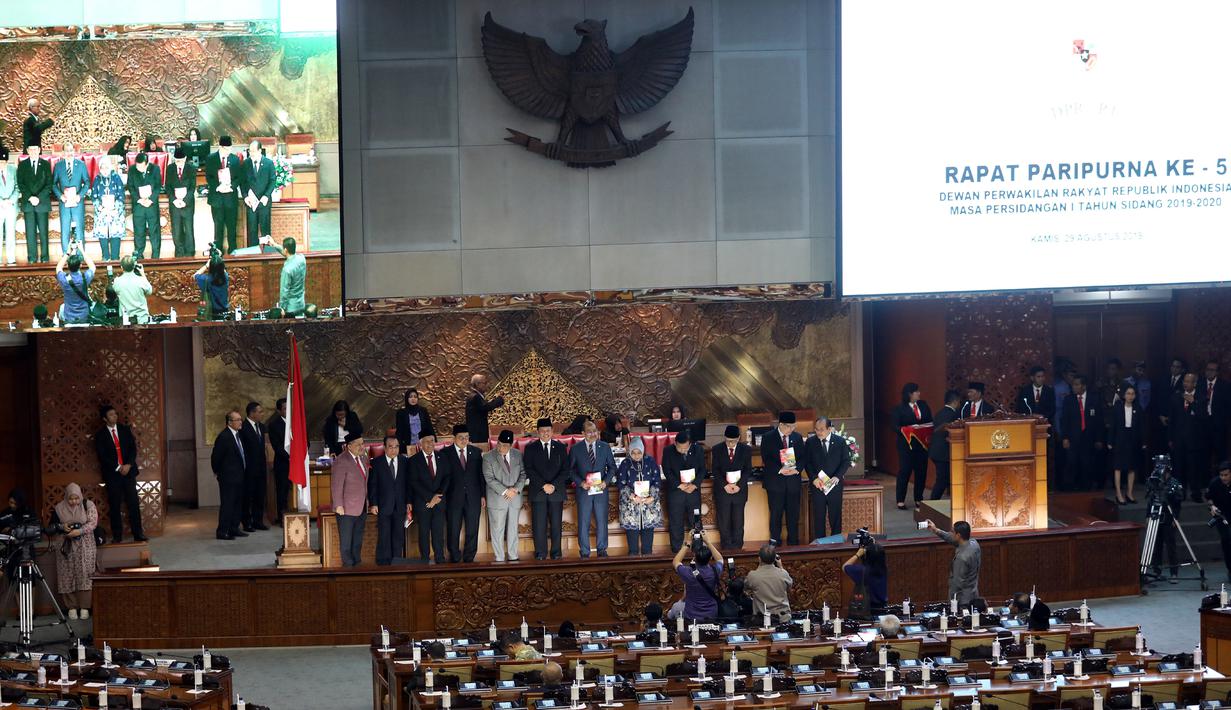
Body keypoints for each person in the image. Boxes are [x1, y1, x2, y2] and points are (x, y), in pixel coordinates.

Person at [92, 405, 146, 543]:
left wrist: (128, 465)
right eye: (111, 415)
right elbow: (102, 456)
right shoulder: (100, 435)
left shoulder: (124, 429)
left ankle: (138, 534)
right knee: (114, 505)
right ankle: (117, 536)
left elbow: (133, 449)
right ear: (105, 419)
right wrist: (118, 467)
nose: (114, 416)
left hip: (128, 472)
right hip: (112, 475)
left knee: (133, 503)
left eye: (115, 414)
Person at [568, 420, 617, 557]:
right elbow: (570, 470)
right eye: (589, 432)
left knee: (602, 521)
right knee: (583, 522)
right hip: (584, 490)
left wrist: (606, 482)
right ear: (583, 433)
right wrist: (581, 483)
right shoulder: (576, 449)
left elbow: (612, 467)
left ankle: (602, 549)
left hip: (601, 490)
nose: (593, 434)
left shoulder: (605, 447)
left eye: (595, 431)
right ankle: (584, 551)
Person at [50, 483, 97, 620]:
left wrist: (80, 531)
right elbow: (52, 526)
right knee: (66, 575)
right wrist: (62, 527)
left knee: (85, 574)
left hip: (85, 544)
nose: (74, 501)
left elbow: (93, 523)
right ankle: (71, 607)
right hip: (65, 545)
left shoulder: (88, 505)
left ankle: (84, 607)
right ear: (66, 497)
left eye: (76, 498)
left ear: (80, 496)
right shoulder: (59, 508)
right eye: (71, 498)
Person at [524, 418, 567, 559]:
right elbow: (529, 469)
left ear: (552, 431)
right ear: (537, 432)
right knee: (539, 525)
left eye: (548, 430)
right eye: (542, 431)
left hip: (556, 491)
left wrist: (553, 485)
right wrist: (543, 485)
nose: (545, 433)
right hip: (538, 492)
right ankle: (540, 553)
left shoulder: (561, 447)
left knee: (556, 525)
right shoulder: (530, 448)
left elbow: (566, 470)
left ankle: (556, 553)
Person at [760, 411, 805, 545]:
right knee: (776, 514)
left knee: (793, 514)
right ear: (781, 424)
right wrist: (780, 470)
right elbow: (766, 459)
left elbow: (803, 457)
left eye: (793, 426)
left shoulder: (797, 437)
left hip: (792, 483)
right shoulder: (768, 437)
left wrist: (797, 469)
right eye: (789, 426)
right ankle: (775, 542)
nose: (791, 429)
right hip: (775, 483)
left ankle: (793, 542)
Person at [804, 416, 851, 539]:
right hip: (818, 485)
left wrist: (837, 476)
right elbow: (807, 463)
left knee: (835, 517)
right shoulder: (810, 442)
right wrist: (813, 478)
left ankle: (836, 543)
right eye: (816, 429)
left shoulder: (840, 441)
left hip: (834, 485)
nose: (818, 432)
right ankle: (820, 545)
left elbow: (846, 461)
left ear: (829, 429)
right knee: (818, 517)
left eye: (821, 429)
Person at [443, 424, 484, 563]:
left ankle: (469, 557)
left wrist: (482, 495)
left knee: (472, 528)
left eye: (466, 437)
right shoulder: (445, 453)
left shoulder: (476, 452)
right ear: (453, 438)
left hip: (473, 497)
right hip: (453, 497)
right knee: (453, 528)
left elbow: (480, 475)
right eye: (461, 437)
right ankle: (454, 556)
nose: (464, 440)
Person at [482, 430, 525, 562]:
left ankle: (513, 555)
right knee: (497, 529)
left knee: (513, 528)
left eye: (505, 445)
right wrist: (506, 491)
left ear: (511, 445)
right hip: (497, 499)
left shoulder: (518, 454)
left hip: (514, 498)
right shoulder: (488, 457)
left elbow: (523, 474)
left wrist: (515, 489)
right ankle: (499, 557)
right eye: (499, 444)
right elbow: (489, 478)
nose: (501, 448)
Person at [662, 429, 708, 552]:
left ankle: (698, 548)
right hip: (676, 492)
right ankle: (677, 550)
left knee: (696, 521)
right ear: (675, 443)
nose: (683, 450)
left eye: (685, 448)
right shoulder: (668, 451)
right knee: (676, 522)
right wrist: (678, 485)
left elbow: (703, 469)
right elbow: (667, 470)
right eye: (680, 448)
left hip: (693, 492)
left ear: (690, 444)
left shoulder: (698, 449)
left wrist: (695, 484)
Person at [367, 435, 410, 565]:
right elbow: (372, 485)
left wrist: (409, 501)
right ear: (384, 448)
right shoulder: (376, 463)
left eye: (396, 447)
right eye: (390, 447)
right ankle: (383, 563)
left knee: (398, 536)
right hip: (383, 505)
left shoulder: (405, 461)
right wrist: (373, 503)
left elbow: (408, 484)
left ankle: (397, 561)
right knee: (384, 535)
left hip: (400, 505)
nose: (394, 450)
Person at [409, 430, 449, 563]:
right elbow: (414, 482)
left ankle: (440, 558)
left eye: (432, 441)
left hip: (439, 502)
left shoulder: (442, 457)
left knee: (438, 532)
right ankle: (425, 559)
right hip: (423, 503)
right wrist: (430, 498)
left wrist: (437, 496)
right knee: (424, 533)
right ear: (420, 444)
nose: (430, 443)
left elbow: (447, 477)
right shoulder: (414, 460)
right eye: (427, 441)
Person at [616, 437, 662, 555]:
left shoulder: (650, 461)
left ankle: (647, 560)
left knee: (647, 546)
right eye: (633, 453)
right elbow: (621, 483)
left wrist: (652, 497)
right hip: (631, 507)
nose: (636, 455)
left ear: (643, 451)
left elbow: (657, 481)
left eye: (639, 452)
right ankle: (633, 561)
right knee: (633, 548)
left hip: (648, 506)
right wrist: (632, 496)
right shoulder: (625, 463)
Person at [893, 383, 933, 510]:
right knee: (905, 471)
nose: (919, 393)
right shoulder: (899, 408)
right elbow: (895, 426)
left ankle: (918, 498)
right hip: (906, 445)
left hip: (922, 445)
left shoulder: (923, 405)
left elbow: (930, 421)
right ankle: (900, 499)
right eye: (916, 392)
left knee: (921, 471)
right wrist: (908, 429)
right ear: (910, 394)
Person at [332, 432, 369, 566]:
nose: (362, 447)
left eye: (362, 443)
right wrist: (338, 505)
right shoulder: (341, 460)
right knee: (346, 542)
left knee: (357, 540)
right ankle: (348, 567)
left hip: (362, 507)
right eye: (358, 444)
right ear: (349, 446)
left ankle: (357, 564)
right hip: (346, 509)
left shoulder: (364, 458)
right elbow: (336, 485)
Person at [711, 425, 751, 550]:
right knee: (724, 523)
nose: (731, 444)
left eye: (733, 441)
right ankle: (726, 548)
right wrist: (725, 485)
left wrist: (739, 485)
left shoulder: (746, 450)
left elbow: (748, 470)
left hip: (739, 491)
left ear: (738, 438)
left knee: (738, 522)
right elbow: (715, 470)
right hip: (723, 491)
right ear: (725, 438)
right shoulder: (717, 449)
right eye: (728, 441)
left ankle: (738, 548)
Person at [210, 411, 248, 540]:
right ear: (229, 422)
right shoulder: (224, 437)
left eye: (240, 419)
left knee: (237, 504)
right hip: (228, 478)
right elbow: (216, 457)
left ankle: (234, 528)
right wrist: (218, 472)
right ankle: (222, 531)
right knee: (228, 504)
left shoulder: (238, 435)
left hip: (239, 476)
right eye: (237, 420)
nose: (240, 422)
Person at [1061, 375, 1103, 491]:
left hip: (1088, 438)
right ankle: (1069, 489)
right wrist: (1065, 437)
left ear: (1084, 386)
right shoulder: (1068, 400)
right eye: (1073, 384)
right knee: (1071, 463)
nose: (1074, 387)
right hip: (1073, 438)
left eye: (1077, 384)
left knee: (1087, 464)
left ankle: (1086, 488)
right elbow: (1064, 420)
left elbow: (1099, 421)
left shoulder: (1094, 399)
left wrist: (1099, 439)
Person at [671, 529, 724, 621]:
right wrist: (708, 542)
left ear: (694, 558)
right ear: (710, 558)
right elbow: (720, 559)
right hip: (711, 613)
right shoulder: (715, 570)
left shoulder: (688, 573)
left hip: (692, 614)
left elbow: (676, 561)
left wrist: (688, 543)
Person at [927, 519, 981, 608]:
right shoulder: (974, 544)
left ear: (958, 535)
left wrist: (952, 602)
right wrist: (936, 530)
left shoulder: (962, 558)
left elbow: (957, 583)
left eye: (952, 532)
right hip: (973, 594)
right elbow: (953, 540)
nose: (950, 533)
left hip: (962, 601)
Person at [1109, 384, 1148, 505]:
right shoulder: (1117, 407)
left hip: (1133, 439)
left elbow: (1142, 426)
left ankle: (1129, 493)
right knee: (1118, 466)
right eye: (1128, 393)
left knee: (1132, 466)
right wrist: (1110, 441)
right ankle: (1118, 494)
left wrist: (1144, 441)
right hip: (1120, 439)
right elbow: (1112, 425)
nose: (1131, 396)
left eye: (1133, 394)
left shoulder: (1138, 408)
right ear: (1124, 395)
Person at [1170, 373, 1206, 502]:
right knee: (1179, 468)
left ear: (1194, 383)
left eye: (1189, 381)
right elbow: (1172, 419)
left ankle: (1196, 493)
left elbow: (1204, 417)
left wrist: (1193, 402)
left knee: (1193, 468)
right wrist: (1170, 438)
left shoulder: (1201, 397)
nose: (1186, 384)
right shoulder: (1176, 396)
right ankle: (1180, 493)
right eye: (1184, 381)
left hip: (1194, 440)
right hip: (1179, 439)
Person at [205, 136, 241, 253]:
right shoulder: (211, 158)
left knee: (232, 227)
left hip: (230, 198)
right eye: (226, 149)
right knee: (218, 227)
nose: (228, 151)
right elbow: (209, 177)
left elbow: (238, 177)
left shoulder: (235, 159)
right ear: (220, 147)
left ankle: (233, 251)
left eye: (230, 148)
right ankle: (218, 252)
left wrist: (231, 187)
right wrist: (217, 186)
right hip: (217, 199)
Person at [17, 142, 51, 263]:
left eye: (35, 149)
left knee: (43, 232)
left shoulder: (46, 164)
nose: (33, 152)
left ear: (39, 149)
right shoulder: (22, 165)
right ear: (27, 150)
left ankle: (45, 257)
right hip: (28, 203)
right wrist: (30, 197)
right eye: (31, 149)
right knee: (30, 233)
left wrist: (38, 198)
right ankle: (32, 258)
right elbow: (20, 184)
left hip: (42, 203)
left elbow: (49, 184)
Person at [52, 141, 88, 254]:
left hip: (77, 203)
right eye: (67, 151)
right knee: (65, 230)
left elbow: (87, 182)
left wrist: (80, 195)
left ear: (74, 151)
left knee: (79, 230)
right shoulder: (58, 166)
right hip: (64, 203)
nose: (69, 153)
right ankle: (65, 255)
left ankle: (80, 256)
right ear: (63, 153)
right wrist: (60, 196)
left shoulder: (81, 165)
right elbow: (53, 184)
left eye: (71, 150)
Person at [744, 544, 794, 623]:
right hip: (783, 619)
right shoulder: (783, 574)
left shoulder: (753, 576)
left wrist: (760, 566)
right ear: (775, 559)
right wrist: (781, 567)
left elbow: (746, 589)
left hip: (763, 620)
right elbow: (789, 586)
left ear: (759, 559)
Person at [239, 401, 269, 532]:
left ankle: (258, 521)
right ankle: (247, 522)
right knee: (248, 496)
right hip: (248, 469)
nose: (262, 414)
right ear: (252, 413)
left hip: (261, 468)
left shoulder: (261, 427)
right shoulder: (243, 427)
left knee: (260, 495)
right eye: (260, 412)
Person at [89, 156, 126, 260]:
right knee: (103, 236)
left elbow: (121, 195)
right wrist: (101, 208)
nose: (104, 170)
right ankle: (105, 258)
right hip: (102, 212)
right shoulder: (97, 179)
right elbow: (94, 196)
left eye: (106, 167)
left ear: (110, 167)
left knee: (115, 236)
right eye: (102, 168)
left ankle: (115, 259)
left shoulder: (116, 177)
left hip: (115, 212)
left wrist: (115, 208)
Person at [127, 152, 162, 259]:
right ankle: (139, 255)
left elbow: (158, 186)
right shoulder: (132, 170)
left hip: (151, 205)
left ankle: (155, 257)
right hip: (139, 205)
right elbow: (130, 187)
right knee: (139, 231)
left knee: (154, 231)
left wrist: (151, 200)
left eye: (141, 166)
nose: (139, 169)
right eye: (137, 166)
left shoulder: (155, 169)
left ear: (147, 164)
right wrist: (139, 200)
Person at [164, 146, 197, 257]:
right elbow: (168, 187)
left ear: (185, 158)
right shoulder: (170, 168)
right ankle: (179, 252)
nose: (178, 163)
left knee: (189, 229)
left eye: (181, 161)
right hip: (175, 204)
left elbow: (192, 187)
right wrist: (174, 200)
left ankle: (190, 252)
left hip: (187, 204)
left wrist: (185, 201)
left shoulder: (191, 168)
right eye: (177, 161)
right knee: (176, 230)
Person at [929, 390, 962, 500]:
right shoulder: (953, 415)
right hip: (944, 453)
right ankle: (932, 503)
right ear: (955, 401)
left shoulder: (939, 412)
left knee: (945, 478)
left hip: (935, 451)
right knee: (942, 480)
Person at [263, 236, 306, 316]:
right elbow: (288, 253)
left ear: (285, 250)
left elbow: (284, 291)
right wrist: (274, 244)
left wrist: (282, 308)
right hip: (301, 304)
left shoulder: (287, 270)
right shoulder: (302, 259)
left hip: (290, 308)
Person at [242, 141, 274, 246]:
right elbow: (242, 182)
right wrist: (245, 197)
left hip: (264, 201)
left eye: (253, 151)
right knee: (252, 230)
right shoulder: (246, 163)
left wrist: (266, 195)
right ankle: (253, 251)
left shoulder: (268, 163)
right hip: (251, 202)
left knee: (265, 229)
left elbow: (272, 181)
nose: (251, 153)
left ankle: (267, 252)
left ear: (260, 151)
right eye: (249, 151)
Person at [1203, 361, 1231, 477]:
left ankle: (1220, 480)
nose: (1209, 372)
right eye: (1208, 369)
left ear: (1217, 372)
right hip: (1203, 425)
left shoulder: (1225, 386)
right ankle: (1204, 480)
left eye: (1212, 370)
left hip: (1219, 427)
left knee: (1220, 455)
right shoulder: (1199, 384)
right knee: (1203, 455)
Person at [266, 398, 292, 524]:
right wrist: (290, 457)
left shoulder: (297, 421)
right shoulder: (274, 425)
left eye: (289, 408)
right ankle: (283, 518)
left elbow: (306, 441)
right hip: (283, 463)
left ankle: (300, 516)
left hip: (298, 463)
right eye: (285, 408)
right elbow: (277, 446)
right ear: (279, 411)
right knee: (282, 491)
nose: (288, 411)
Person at [842, 542, 888, 611]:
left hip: (867, 610)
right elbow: (877, 553)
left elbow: (844, 567)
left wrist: (858, 554)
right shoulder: (884, 569)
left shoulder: (862, 571)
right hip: (883, 608)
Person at [54, 249, 95, 324]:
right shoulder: (85, 277)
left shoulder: (64, 279)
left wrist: (68, 253)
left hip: (69, 316)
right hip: (84, 315)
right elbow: (92, 267)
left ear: (67, 266)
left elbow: (58, 268)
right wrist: (82, 250)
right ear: (80, 265)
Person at [1206, 462, 1231, 582]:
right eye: (1221, 475)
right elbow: (1209, 497)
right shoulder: (1215, 483)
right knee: (1226, 540)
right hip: (1221, 515)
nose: (1223, 478)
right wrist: (1212, 506)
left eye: (1226, 475)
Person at [464, 374, 505, 444]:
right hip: (477, 434)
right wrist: (499, 400)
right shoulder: (475, 396)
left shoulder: (475, 395)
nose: (487, 385)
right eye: (485, 383)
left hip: (477, 433)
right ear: (477, 384)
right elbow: (486, 407)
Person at [112, 255, 152, 324]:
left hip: (126, 320)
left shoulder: (117, 282)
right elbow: (149, 291)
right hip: (142, 319)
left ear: (121, 267)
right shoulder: (141, 280)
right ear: (134, 266)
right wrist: (142, 274)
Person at [0, 148, 16, 265]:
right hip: (0, 206)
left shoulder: (13, 170)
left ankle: (11, 258)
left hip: (11, 206)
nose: (1, 164)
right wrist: (1, 201)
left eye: (3, 162)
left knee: (10, 233)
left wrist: (11, 200)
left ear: (7, 161)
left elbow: (18, 187)